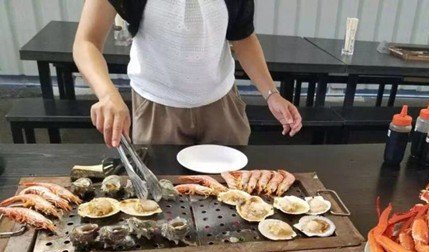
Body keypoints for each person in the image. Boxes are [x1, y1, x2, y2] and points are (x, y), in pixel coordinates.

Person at [73, 0, 303, 147]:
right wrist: (107, 95)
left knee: (234, 193)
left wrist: (271, 94)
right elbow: (86, 42)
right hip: (157, 108)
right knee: (162, 196)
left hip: (222, 105)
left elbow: (243, 38)